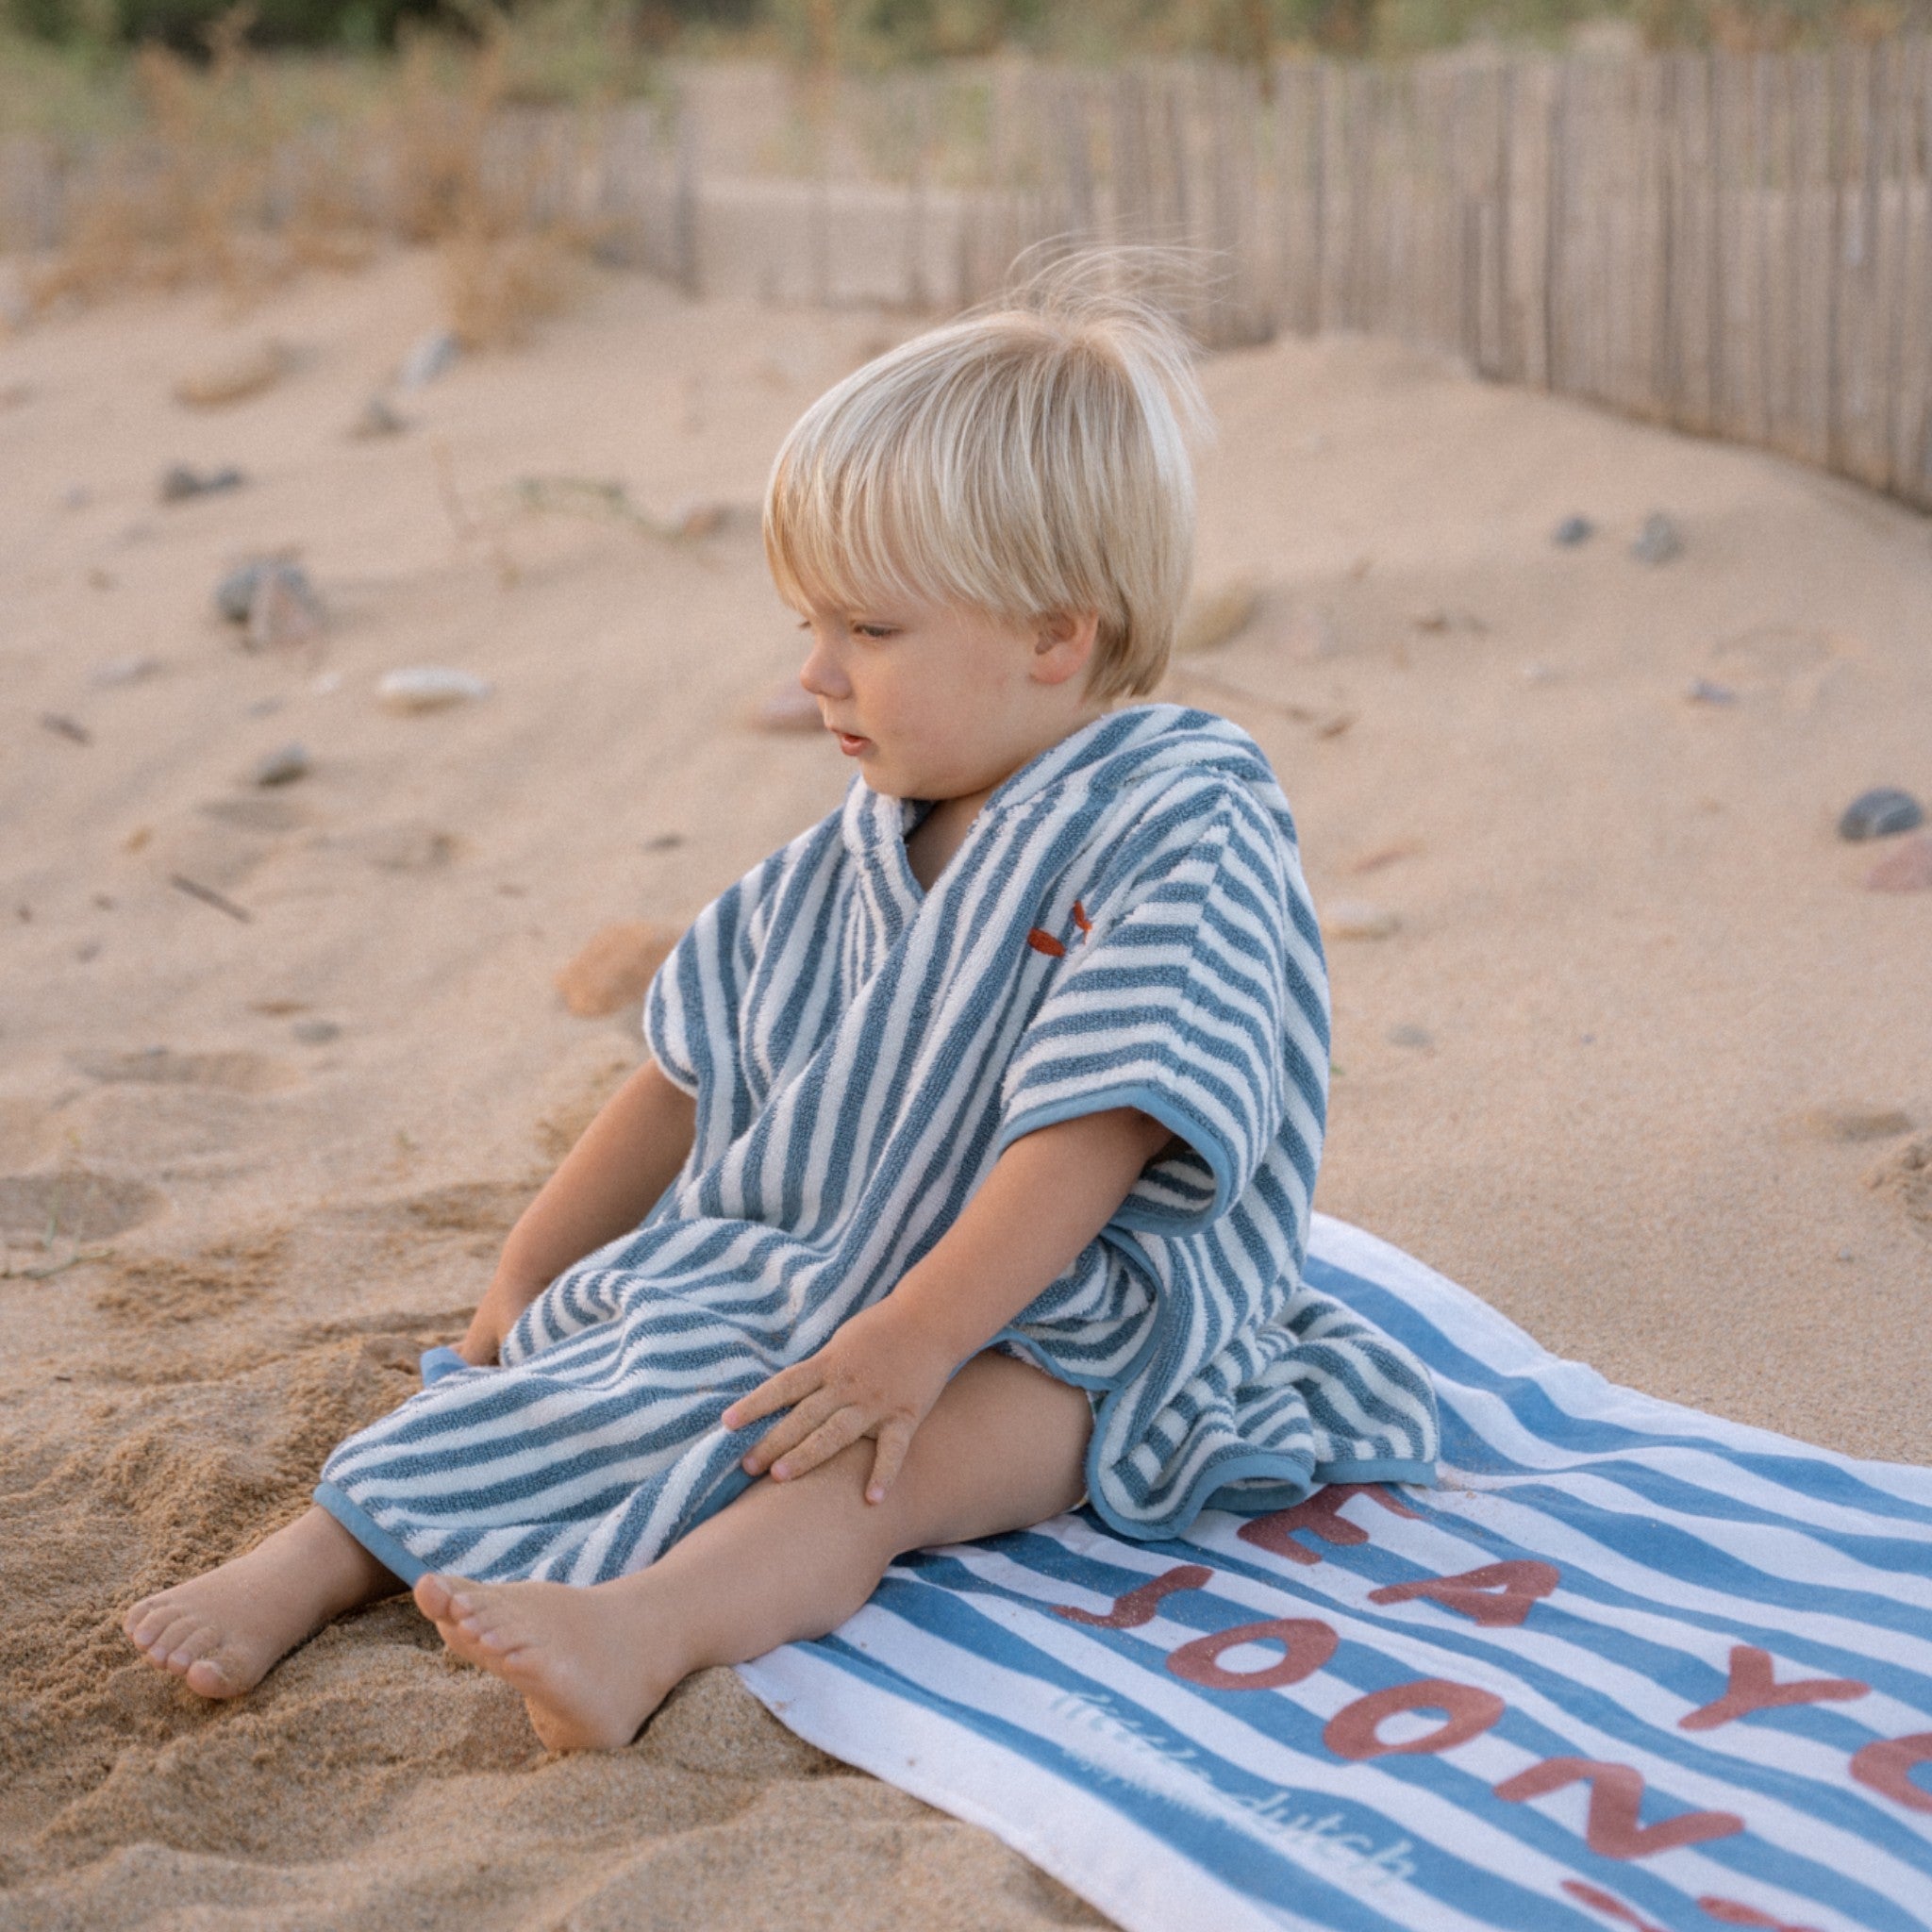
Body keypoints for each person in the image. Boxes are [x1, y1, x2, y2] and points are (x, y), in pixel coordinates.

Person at [122, 255, 1438, 1752]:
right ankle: (313, 1559)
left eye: (868, 632)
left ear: (1054, 635)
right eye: (808, 626)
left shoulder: (1177, 810)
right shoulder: (846, 857)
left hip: (1078, 1324)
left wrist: (915, 1343)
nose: (816, 674)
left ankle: (643, 1630)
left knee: (871, 1468)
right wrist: (525, 1279)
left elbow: (1103, 1123)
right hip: (835, 1273)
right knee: (614, 1362)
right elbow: (680, 1080)